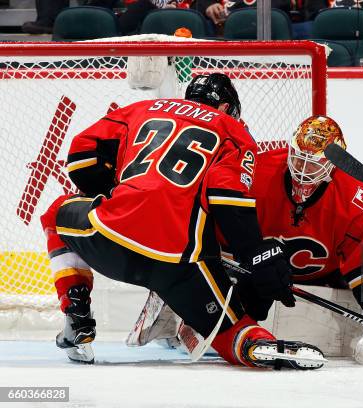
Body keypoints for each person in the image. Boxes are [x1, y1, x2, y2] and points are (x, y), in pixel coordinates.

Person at [131, 114, 363, 364]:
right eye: (299, 158)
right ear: (289, 148)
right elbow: (211, 221)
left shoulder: (354, 198)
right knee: (220, 295)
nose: (304, 172)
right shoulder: (256, 171)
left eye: (315, 165)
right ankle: (180, 316)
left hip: (321, 273)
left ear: (335, 165)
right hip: (250, 269)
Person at [40, 73, 325, 370]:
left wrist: (112, 193)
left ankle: (77, 315)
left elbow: (80, 157)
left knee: (55, 214)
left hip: (112, 237)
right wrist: (256, 254)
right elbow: (227, 198)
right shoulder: (235, 132)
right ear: (227, 108)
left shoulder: (142, 109)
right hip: (179, 263)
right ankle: (254, 343)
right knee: (230, 327)